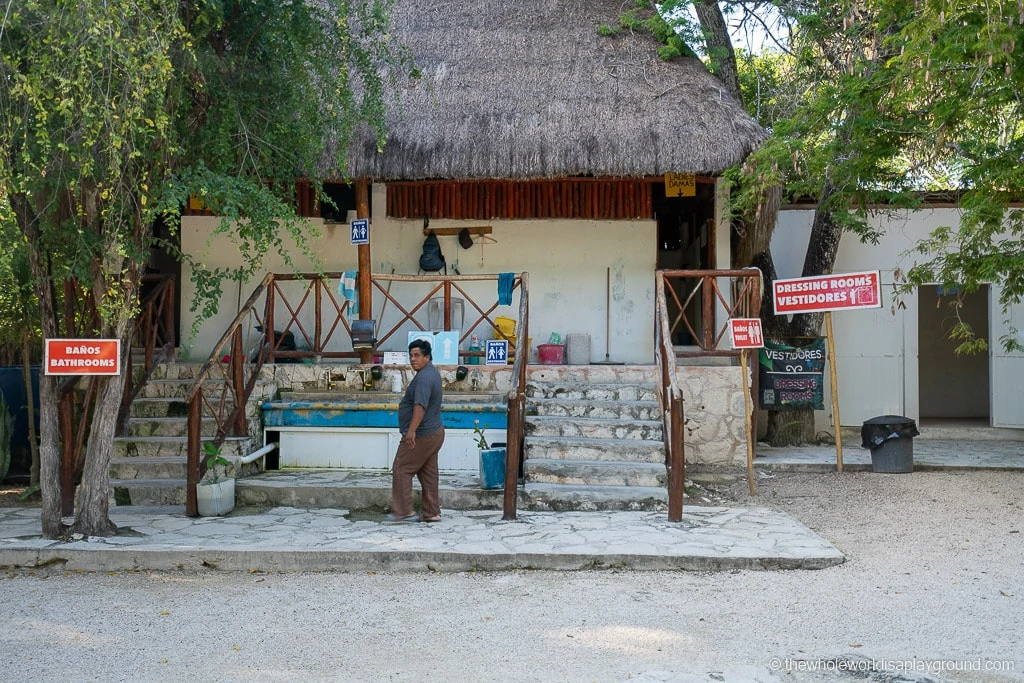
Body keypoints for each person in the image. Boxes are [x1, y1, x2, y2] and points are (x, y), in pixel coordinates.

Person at [386, 339, 445, 523]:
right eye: (411, 355)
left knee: (402, 467)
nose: (413, 359)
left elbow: (420, 407)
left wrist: (411, 432)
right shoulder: (430, 373)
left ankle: (404, 511)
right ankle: (432, 512)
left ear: (427, 357)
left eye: (417, 355)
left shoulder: (424, 378)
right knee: (428, 473)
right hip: (434, 433)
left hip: (422, 434)